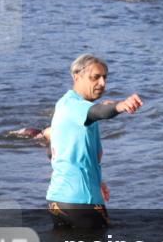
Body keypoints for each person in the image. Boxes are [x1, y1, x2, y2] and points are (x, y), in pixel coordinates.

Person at [46, 54, 143, 229]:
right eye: (95, 77)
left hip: (57, 200)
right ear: (76, 77)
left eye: (105, 77)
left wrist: (97, 180)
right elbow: (98, 111)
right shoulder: (76, 106)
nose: (102, 83)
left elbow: (56, 152)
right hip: (83, 201)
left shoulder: (64, 105)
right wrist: (120, 106)